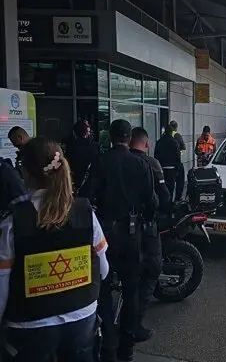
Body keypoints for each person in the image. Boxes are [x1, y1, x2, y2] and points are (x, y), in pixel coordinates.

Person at [0, 137, 109, 361]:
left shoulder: (13, 223)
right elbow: (103, 270)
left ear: (24, 172)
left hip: (29, 327)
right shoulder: (86, 213)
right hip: (82, 319)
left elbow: (2, 288)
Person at [79, 119, 157, 362]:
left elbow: (85, 196)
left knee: (102, 290)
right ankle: (127, 347)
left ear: (110, 137)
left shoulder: (101, 161)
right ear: (129, 137)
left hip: (105, 235)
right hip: (132, 235)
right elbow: (152, 201)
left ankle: (108, 343)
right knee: (131, 290)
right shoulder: (141, 163)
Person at [129, 127, 168, 340]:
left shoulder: (108, 161)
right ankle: (134, 324)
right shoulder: (150, 163)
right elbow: (162, 197)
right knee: (152, 270)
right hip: (145, 227)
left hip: (115, 229)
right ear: (146, 143)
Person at [64, 120, 101, 193]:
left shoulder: (70, 147)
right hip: (90, 184)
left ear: (74, 133)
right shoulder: (95, 147)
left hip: (73, 182)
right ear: (87, 133)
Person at [154, 123, 182, 202]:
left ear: (165, 131)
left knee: (162, 188)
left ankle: (162, 203)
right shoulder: (174, 142)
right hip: (171, 169)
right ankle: (169, 204)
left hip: (161, 169)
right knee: (170, 188)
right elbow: (178, 157)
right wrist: (177, 169)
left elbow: (156, 156)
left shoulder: (159, 142)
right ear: (171, 132)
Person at [169, 121, 186, 202]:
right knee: (180, 181)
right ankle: (177, 199)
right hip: (176, 162)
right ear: (176, 127)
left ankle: (169, 200)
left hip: (166, 164)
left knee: (169, 183)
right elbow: (183, 147)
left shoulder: (164, 135)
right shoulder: (177, 135)